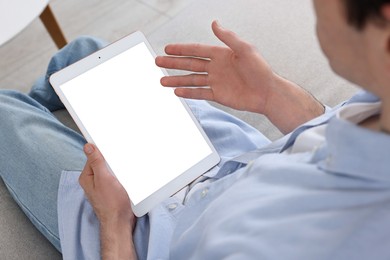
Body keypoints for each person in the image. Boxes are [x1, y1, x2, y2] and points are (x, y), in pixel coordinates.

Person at [1, 0, 390, 259]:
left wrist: (114, 220)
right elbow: (332, 134)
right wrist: (273, 95)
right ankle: (58, 104)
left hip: (145, 231)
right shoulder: (379, 104)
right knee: (88, 52)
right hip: (226, 157)